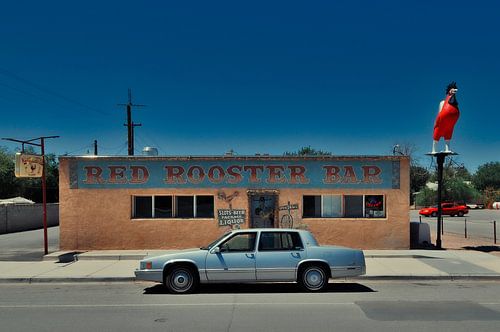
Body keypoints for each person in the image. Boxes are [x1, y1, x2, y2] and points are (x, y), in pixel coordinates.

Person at [432, 82, 460, 153]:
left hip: (450, 124)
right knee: (437, 135)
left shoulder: (455, 105)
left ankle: (447, 149)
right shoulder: (443, 102)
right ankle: (434, 149)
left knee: (448, 135)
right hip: (441, 122)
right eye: (452, 89)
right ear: (449, 91)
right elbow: (440, 112)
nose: (453, 90)